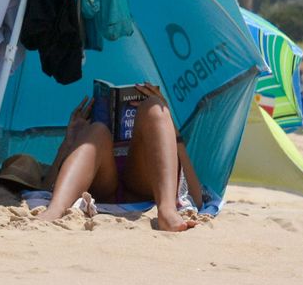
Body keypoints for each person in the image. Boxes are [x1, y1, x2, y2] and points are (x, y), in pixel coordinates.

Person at [34, 83, 203, 232]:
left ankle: (167, 210)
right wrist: (69, 141)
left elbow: (195, 197)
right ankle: (56, 209)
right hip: (101, 181)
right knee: (98, 129)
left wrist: (169, 122)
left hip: (140, 179)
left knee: (154, 106)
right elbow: (47, 188)